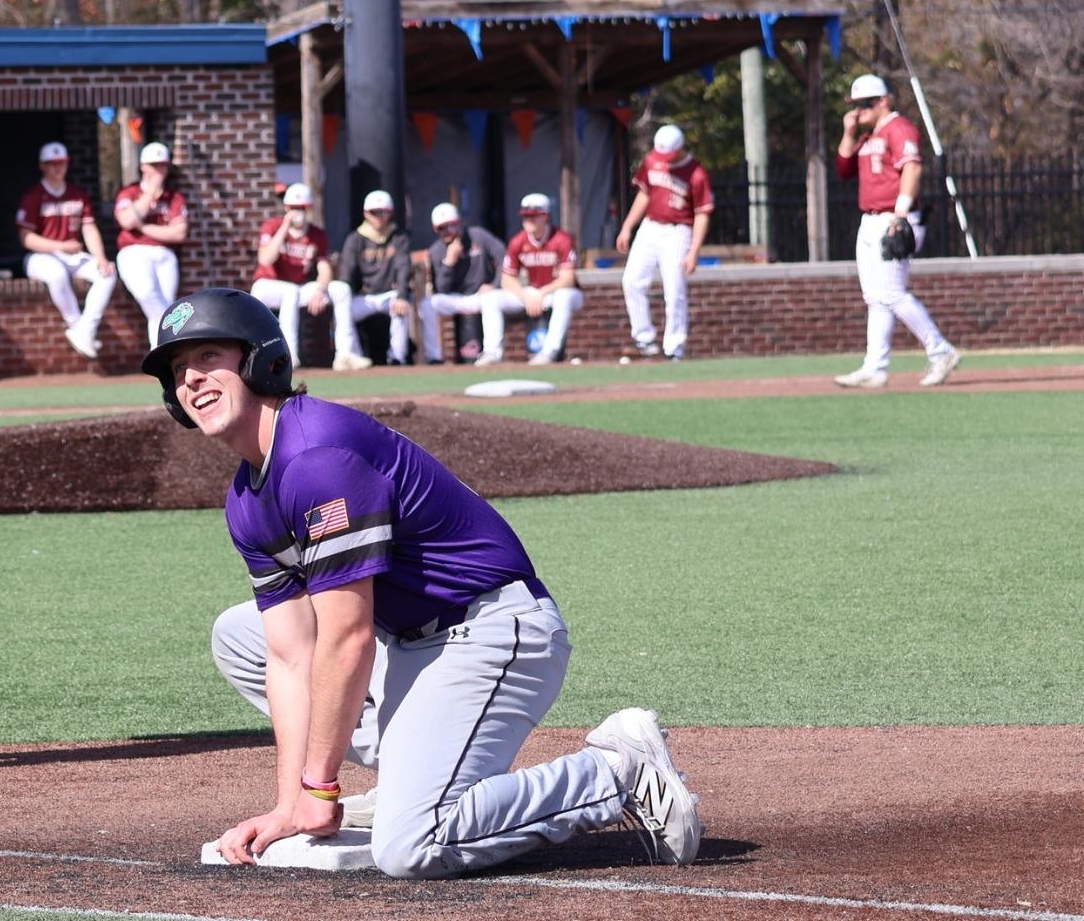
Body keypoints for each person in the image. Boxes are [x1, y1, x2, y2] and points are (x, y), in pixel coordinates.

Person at [141, 288, 703, 878]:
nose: (192, 380)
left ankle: (617, 773)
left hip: (493, 629)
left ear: (260, 360)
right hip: (412, 643)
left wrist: (321, 788)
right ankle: (417, 777)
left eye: (208, 358)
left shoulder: (316, 455)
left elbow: (348, 636)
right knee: (241, 635)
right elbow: (287, 656)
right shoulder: (245, 499)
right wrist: (293, 804)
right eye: (178, 370)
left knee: (411, 846)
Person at [831, 74, 961, 389]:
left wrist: (900, 213)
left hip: (894, 216)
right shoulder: (866, 135)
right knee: (875, 297)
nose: (859, 111)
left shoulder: (899, 128)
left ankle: (940, 350)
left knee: (891, 293)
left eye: (865, 104)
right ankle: (875, 367)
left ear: (883, 101)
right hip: (870, 219)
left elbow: (912, 167)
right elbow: (843, 170)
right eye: (855, 105)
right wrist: (849, 133)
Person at [615, 124, 711, 361]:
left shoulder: (696, 173)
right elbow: (644, 194)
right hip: (650, 227)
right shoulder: (651, 162)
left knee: (675, 290)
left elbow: (702, 213)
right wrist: (627, 227)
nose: (664, 160)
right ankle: (644, 338)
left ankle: (674, 347)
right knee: (632, 281)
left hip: (678, 231)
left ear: (680, 148)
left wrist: (694, 252)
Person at [19, 141, 115, 359]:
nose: (57, 167)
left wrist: (100, 258)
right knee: (56, 275)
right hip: (40, 256)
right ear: (42, 166)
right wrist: (61, 246)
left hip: (71, 255)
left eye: (61, 163)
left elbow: (89, 228)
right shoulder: (33, 195)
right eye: (52, 164)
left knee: (108, 273)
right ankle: (75, 324)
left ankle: (85, 330)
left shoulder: (77, 194)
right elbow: (26, 238)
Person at [250, 182, 346, 369]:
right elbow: (265, 259)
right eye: (293, 208)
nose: (297, 212)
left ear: (308, 209)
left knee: (341, 289)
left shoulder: (316, 233)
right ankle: (289, 355)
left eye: (301, 208)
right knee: (291, 292)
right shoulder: (273, 226)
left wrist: (321, 289)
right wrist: (285, 227)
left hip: (298, 287)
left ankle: (346, 353)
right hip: (266, 285)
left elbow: (325, 268)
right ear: (286, 207)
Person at [482, 193, 583, 366]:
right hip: (533, 292)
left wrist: (539, 294)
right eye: (526, 216)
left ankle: (549, 351)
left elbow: (568, 279)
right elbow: (507, 279)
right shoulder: (518, 241)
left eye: (534, 216)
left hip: (562, 293)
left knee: (563, 296)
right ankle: (492, 352)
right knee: (491, 298)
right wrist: (527, 296)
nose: (529, 220)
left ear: (546, 216)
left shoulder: (561, 238)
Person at [113, 141, 187, 348]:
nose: (158, 170)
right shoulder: (130, 192)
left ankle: (160, 353)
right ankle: (176, 331)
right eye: (153, 165)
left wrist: (142, 227)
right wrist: (149, 194)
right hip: (134, 252)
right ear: (143, 166)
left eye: (162, 165)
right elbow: (126, 221)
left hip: (164, 254)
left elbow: (179, 233)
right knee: (148, 294)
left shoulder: (174, 197)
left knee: (163, 302)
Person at [416, 203, 505, 366]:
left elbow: (504, 258)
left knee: (491, 298)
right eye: (441, 228)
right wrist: (449, 261)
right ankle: (434, 357)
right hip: (456, 298)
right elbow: (442, 289)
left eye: (451, 226)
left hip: (482, 295)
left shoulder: (478, 236)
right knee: (428, 304)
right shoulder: (436, 250)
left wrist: (495, 284)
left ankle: (492, 353)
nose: (447, 231)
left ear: (459, 223)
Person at [330, 189, 411, 369]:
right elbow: (347, 274)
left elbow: (403, 268)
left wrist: (403, 295)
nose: (379, 217)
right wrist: (347, 295)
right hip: (364, 296)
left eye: (384, 212)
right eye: (375, 212)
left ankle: (396, 357)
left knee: (401, 306)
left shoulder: (399, 238)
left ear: (390, 213)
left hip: (390, 295)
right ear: (366, 213)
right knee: (344, 311)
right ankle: (352, 355)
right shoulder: (355, 239)